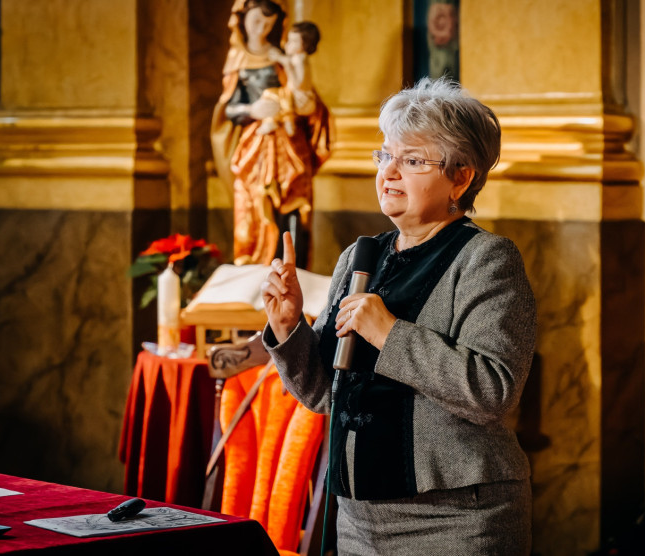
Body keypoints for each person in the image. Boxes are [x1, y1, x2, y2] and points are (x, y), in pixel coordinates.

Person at [260, 77, 536, 554]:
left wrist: (389, 333)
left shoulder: (486, 259)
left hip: (456, 518)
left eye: (411, 161)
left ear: (461, 178)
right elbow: (324, 393)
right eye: (385, 155)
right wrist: (288, 326)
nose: (388, 172)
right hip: (358, 518)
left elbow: (493, 391)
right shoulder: (360, 257)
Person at [210, 0, 330, 269]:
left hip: (290, 144)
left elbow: (306, 97)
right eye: (256, 21)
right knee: (254, 202)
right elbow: (227, 108)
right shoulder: (237, 60)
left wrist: (305, 106)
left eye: (268, 24)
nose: (261, 29)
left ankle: (293, 269)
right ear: (242, 20)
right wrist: (252, 109)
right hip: (256, 145)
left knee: (293, 203)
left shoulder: (284, 56)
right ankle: (256, 266)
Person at [257, 21, 321, 138]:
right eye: (288, 40)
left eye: (293, 41)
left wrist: (286, 64)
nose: (287, 44)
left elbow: (298, 84)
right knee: (274, 95)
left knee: (271, 94)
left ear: (305, 45)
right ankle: (274, 121)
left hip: (301, 100)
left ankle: (285, 120)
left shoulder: (300, 59)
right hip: (295, 97)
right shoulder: (297, 58)